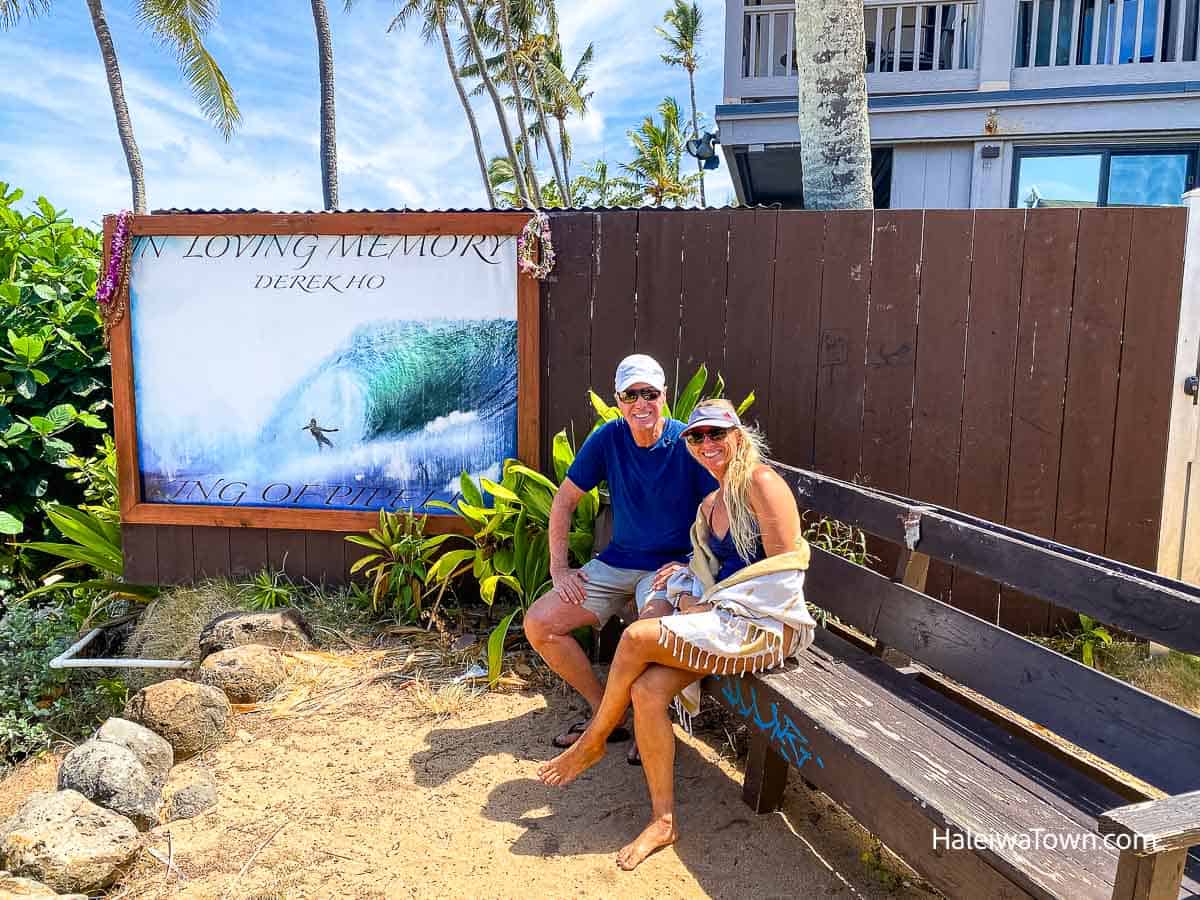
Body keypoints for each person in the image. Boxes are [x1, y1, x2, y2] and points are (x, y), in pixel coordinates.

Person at [536, 399, 817, 871]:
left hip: (764, 628)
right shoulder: (713, 501)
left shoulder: (761, 485)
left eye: (716, 435)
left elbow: (784, 574)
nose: (706, 444)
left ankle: (596, 737)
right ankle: (663, 821)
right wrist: (686, 573)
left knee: (636, 637)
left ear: (738, 437)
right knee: (647, 690)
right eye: (697, 437)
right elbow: (714, 565)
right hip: (723, 622)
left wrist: (702, 604)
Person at [523, 355, 717, 757]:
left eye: (649, 393)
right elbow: (563, 502)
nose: (641, 403)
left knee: (646, 633)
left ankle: (652, 721)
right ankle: (606, 712)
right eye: (632, 394)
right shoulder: (608, 437)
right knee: (540, 624)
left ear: (664, 396)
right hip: (615, 562)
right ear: (618, 400)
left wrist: (691, 565)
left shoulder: (688, 444)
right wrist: (560, 569)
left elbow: (723, 511)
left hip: (668, 568)